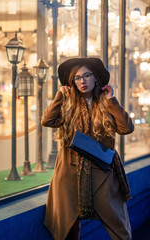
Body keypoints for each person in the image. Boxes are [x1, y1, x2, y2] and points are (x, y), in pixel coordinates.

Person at [41, 57, 134, 240]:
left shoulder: (106, 103)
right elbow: (47, 120)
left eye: (87, 75)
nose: (82, 81)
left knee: (119, 228)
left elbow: (126, 128)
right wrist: (60, 96)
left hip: (102, 171)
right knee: (68, 228)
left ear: (96, 78)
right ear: (72, 82)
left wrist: (112, 100)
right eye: (77, 78)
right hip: (69, 170)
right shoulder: (67, 104)